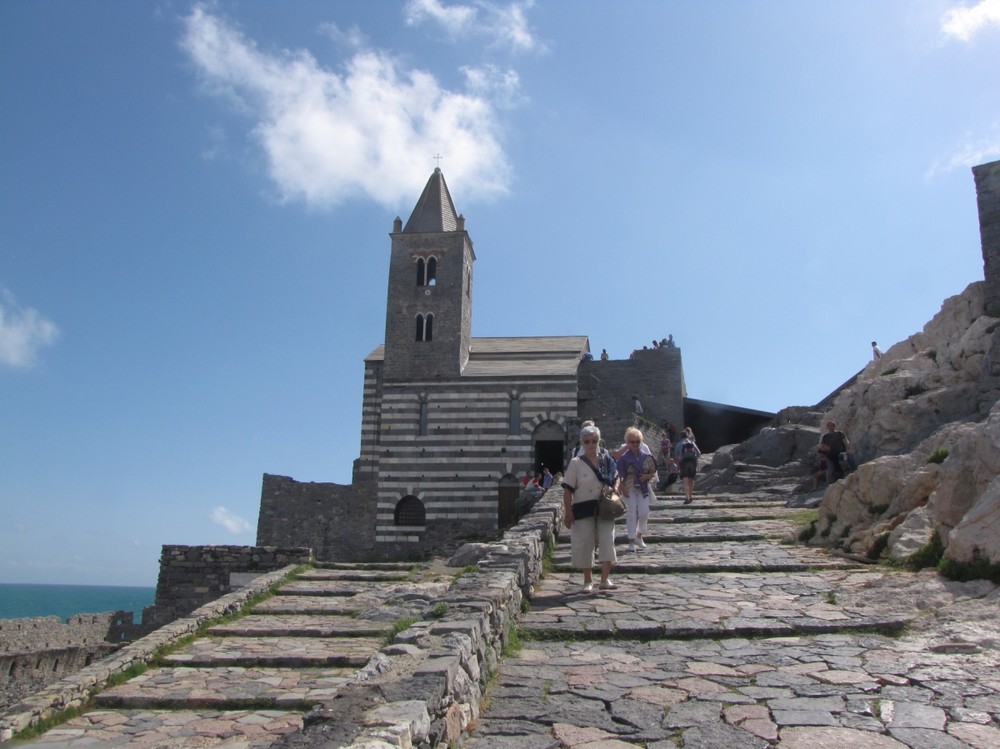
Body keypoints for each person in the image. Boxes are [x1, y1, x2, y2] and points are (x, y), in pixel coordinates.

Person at [562, 424, 619, 592]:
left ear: (599, 441)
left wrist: (615, 486)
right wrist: (568, 512)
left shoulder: (607, 460)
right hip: (583, 508)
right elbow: (567, 490)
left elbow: (617, 477)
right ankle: (588, 580)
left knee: (608, 541)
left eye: (594, 441)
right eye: (587, 442)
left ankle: (605, 579)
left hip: (605, 507)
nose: (591, 444)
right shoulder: (576, 463)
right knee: (585, 543)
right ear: (582, 443)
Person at [616, 427, 657, 551]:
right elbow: (619, 474)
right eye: (632, 442)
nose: (634, 444)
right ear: (628, 442)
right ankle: (631, 541)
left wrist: (647, 476)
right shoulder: (624, 458)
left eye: (637, 441)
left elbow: (653, 471)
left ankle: (639, 535)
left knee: (644, 512)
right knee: (631, 514)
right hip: (629, 488)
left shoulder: (646, 456)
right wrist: (622, 488)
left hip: (643, 487)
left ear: (641, 442)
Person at [675, 427, 701, 504]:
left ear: (681, 437)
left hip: (684, 463)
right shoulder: (692, 443)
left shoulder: (679, 444)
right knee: (691, 479)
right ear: (687, 436)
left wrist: (677, 466)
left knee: (685, 480)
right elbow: (699, 453)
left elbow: (676, 456)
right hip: (693, 462)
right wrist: (694, 458)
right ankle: (691, 496)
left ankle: (687, 498)